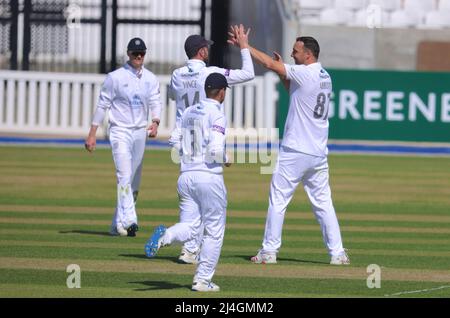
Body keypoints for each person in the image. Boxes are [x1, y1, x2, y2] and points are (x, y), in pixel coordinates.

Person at [228, 25, 350, 265]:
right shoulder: (325, 76)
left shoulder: (306, 73)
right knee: (324, 204)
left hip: (295, 150)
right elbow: (294, 91)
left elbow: (267, 64)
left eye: (296, 51)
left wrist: (245, 45)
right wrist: (283, 72)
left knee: (279, 200)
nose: (292, 54)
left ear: (308, 55)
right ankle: (337, 253)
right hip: (317, 153)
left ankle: (269, 251)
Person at [168, 33, 254, 264]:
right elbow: (248, 73)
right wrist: (244, 47)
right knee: (208, 201)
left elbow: (172, 96)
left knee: (190, 202)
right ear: (202, 52)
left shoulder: (176, 75)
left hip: (184, 140)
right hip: (208, 135)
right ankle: (195, 255)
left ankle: (188, 249)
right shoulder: (210, 73)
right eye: (207, 48)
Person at [145, 73, 231, 292]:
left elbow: (173, 139)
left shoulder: (190, 111)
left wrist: (187, 152)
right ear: (222, 92)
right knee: (213, 231)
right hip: (208, 177)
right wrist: (227, 158)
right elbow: (215, 150)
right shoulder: (217, 115)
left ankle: (166, 236)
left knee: (192, 226)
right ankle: (202, 280)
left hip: (185, 176)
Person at [85, 37, 162, 237]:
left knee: (134, 182)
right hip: (119, 130)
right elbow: (103, 105)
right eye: (135, 53)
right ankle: (129, 221)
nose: (138, 57)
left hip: (139, 132)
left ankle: (116, 224)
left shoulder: (150, 78)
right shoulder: (115, 77)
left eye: (142, 53)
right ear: (128, 54)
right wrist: (92, 133)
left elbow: (155, 101)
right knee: (124, 176)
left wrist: (155, 122)